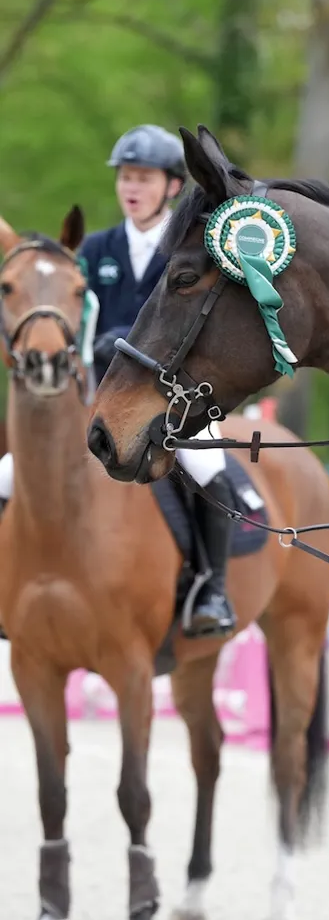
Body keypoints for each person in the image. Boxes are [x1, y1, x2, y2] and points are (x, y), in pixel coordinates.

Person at [0, 124, 236, 639]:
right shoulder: (95, 249)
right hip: (101, 395)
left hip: (171, 397)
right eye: (125, 178)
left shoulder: (188, 248)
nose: (131, 187)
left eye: (144, 178)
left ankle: (212, 590)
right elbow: (68, 315)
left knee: (207, 463)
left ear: (173, 186)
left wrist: (124, 342)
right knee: (7, 475)